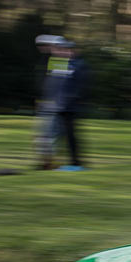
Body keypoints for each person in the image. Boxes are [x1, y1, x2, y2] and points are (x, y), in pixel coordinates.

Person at [54, 39, 89, 171]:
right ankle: (69, 161)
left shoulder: (80, 65)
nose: (64, 52)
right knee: (63, 135)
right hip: (61, 105)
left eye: (67, 50)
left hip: (71, 106)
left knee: (71, 135)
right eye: (63, 50)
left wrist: (76, 99)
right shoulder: (62, 64)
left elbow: (82, 85)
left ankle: (76, 162)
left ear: (73, 51)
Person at [34, 35, 66, 170]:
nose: (42, 48)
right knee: (47, 134)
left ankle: (48, 163)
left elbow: (57, 84)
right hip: (47, 102)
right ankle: (47, 162)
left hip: (54, 103)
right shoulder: (46, 60)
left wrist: (53, 101)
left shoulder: (58, 61)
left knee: (51, 133)